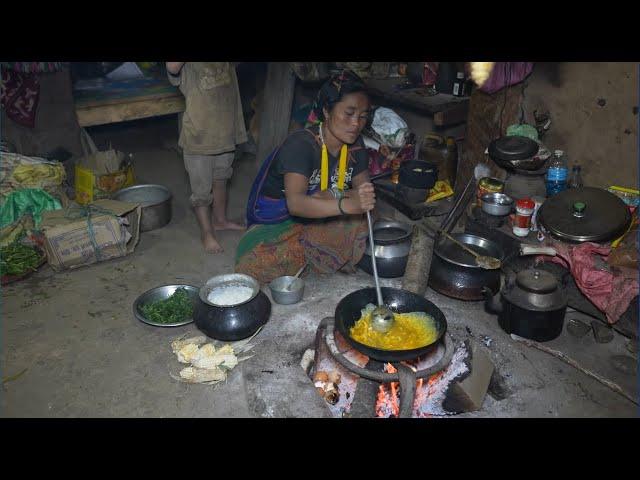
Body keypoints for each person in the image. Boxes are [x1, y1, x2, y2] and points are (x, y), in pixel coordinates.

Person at [235, 69, 376, 284]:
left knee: (358, 222)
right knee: (253, 265)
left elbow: (363, 192)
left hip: (317, 218)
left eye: (363, 116)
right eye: (349, 113)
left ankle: (312, 259)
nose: (356, 123)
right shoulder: (301, 145)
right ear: (327, 111)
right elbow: (296, 204)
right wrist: (343, 203)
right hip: (276, 224)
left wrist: (361, 196)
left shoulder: (355, 146)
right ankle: (313, 259)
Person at [166, 62, 247, 254]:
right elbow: (172, 67)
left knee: (221, 179)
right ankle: (206, 232)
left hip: (226, 131)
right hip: (199, 136)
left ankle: (220, 221)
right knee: (201, 191)